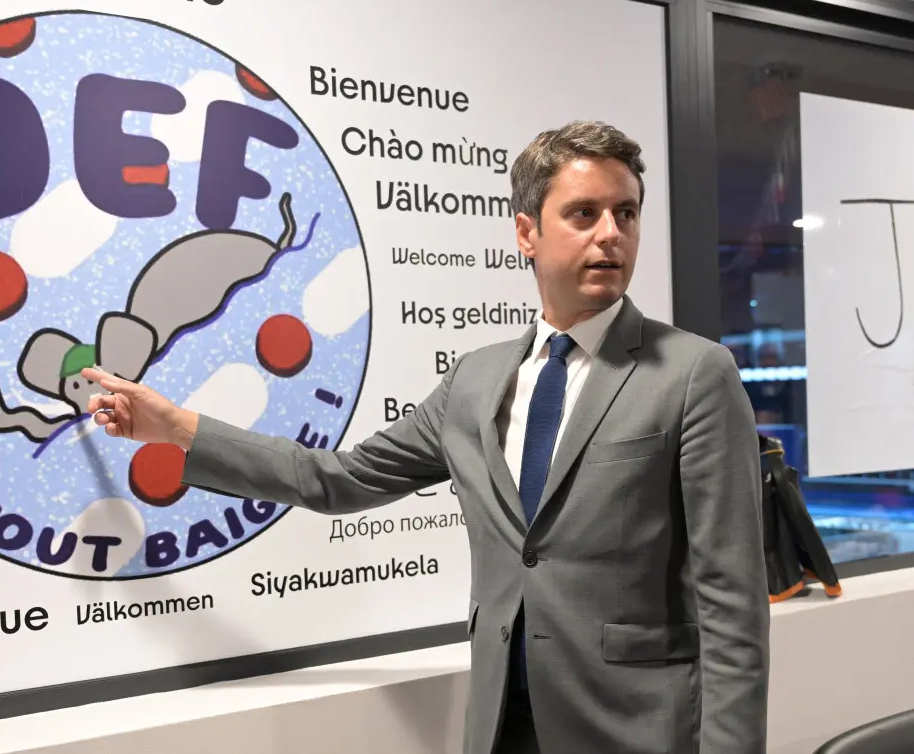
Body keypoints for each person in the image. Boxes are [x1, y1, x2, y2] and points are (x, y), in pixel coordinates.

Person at [83, 120, 770, 754]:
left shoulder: (692, 374)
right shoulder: (476, 380)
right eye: (584, 214)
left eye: (626, 213)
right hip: (502, 724)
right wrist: (175, 428)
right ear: (526, 232)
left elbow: (731, 602)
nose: (611, 234)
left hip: (637, 729)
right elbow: (338, 478)